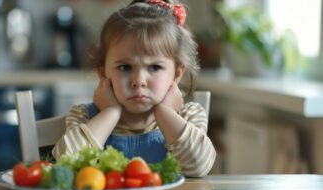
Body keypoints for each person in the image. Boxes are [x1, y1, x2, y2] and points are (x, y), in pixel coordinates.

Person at [52, 0, 216, 177]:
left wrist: (165, 112)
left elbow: (199, 167)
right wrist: (110, 112)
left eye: (154, 67)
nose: (138, 81)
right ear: (103, 72)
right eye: (125, 67)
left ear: (176, 73)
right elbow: (64, 166)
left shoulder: (188, 116)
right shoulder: (84, 116)